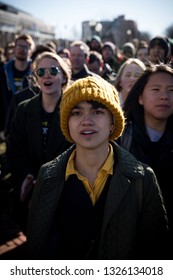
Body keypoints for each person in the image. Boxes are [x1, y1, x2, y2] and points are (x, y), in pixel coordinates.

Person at [26, 76, 168, 260]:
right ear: (66, 123)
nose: (86, 121)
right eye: (76, 113)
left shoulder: (142, 178)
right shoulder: (47, 175)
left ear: (112, 122)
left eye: (97, 112)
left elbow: (157, 253)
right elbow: (36, 246)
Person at [6, 51, 72, 234]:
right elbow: (15, 149)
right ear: (36, 79)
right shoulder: (23, 109)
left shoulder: (74, 111)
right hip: (29, 194)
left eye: (53, 70)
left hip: (63, 194)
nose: (47, 75)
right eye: (41, 72)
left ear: (64, 76)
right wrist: (26, 175)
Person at [117, 64, 173, 249]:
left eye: (171, 90)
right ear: (140, 97)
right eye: (156, 89)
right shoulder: (121, 138)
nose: (164, 96)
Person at [0, 33, 35, 135]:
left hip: (28, 124)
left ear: (31, 51)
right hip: (6, 123)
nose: (22, 49)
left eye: (26, 47)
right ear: (14, 48)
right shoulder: (2, 72)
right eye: (19, 46)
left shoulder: (37, 74)